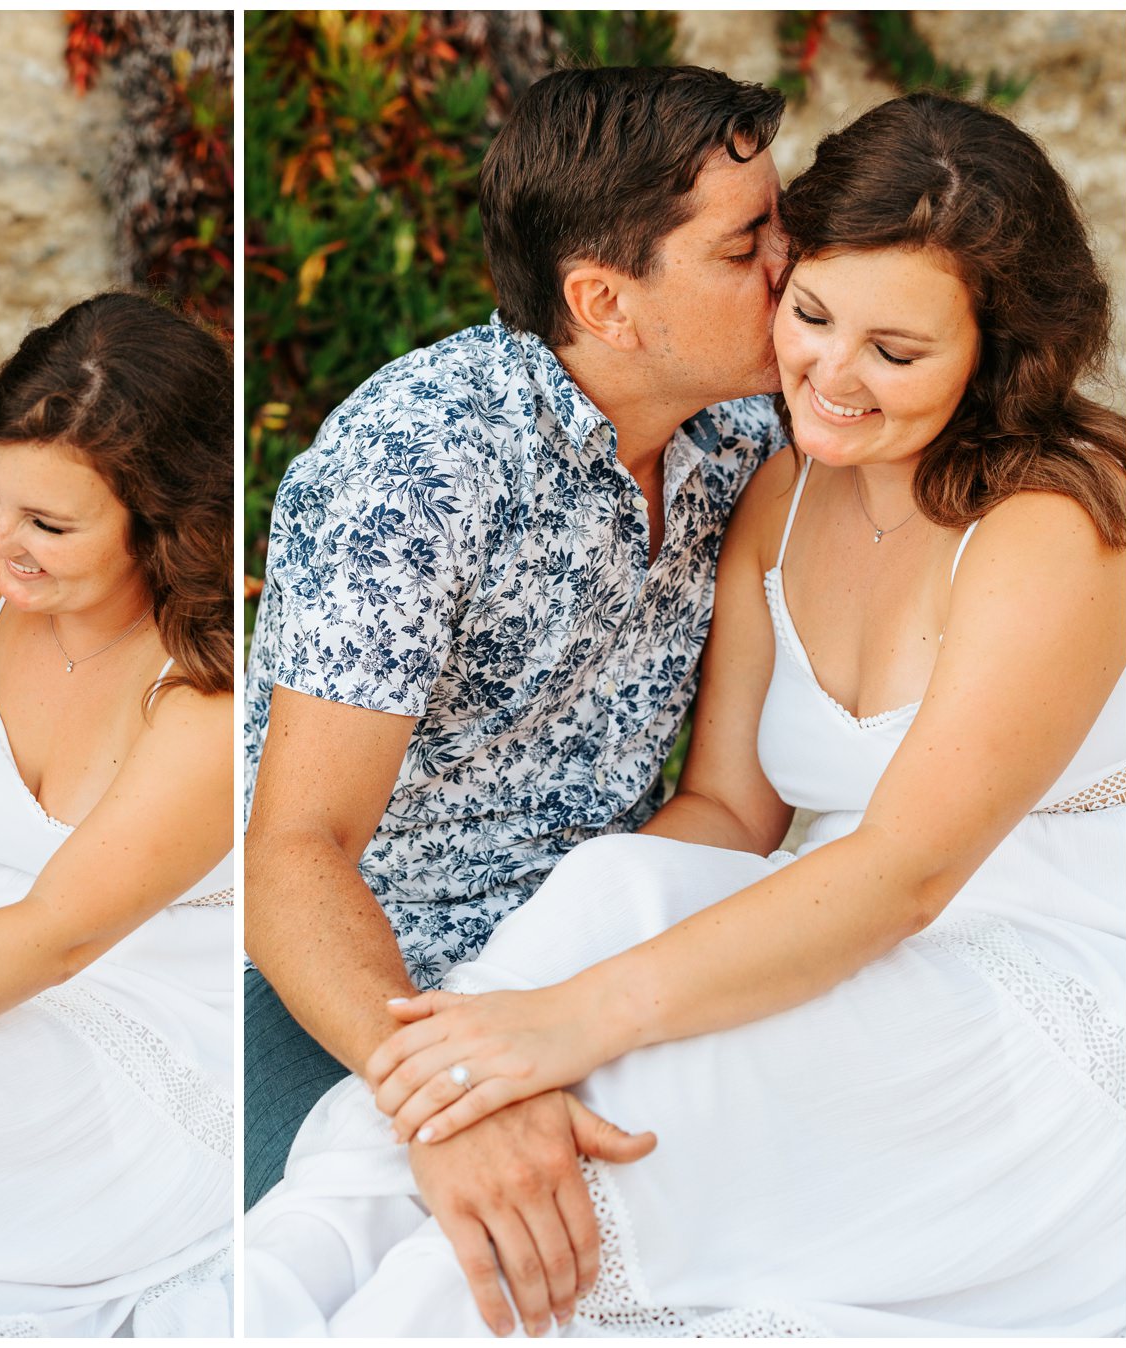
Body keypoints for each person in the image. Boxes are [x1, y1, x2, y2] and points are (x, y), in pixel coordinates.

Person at [247, 91, 1126, 1337]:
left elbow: (905, 873)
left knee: (621, 1133)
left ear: (995, 350)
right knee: (598, 915)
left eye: (900, 348)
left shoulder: (1041, 521)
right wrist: (515, 1024)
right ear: (611, 302)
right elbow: (725, 807)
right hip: (486, 940)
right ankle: (274, 1287)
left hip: (1012, 962)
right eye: (800, 298)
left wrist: (565, 1018)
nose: (822, 357)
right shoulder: (751, 478)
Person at [244, 64, 787, 1321]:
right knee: (428, 1267)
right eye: (748, 244)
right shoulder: (419, 462)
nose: (794, 269)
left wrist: (568, 1010)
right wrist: (440, 1088)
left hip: (599, 938)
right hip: (353, 971)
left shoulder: (745, 431)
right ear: (606, 301)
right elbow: (293, 850)